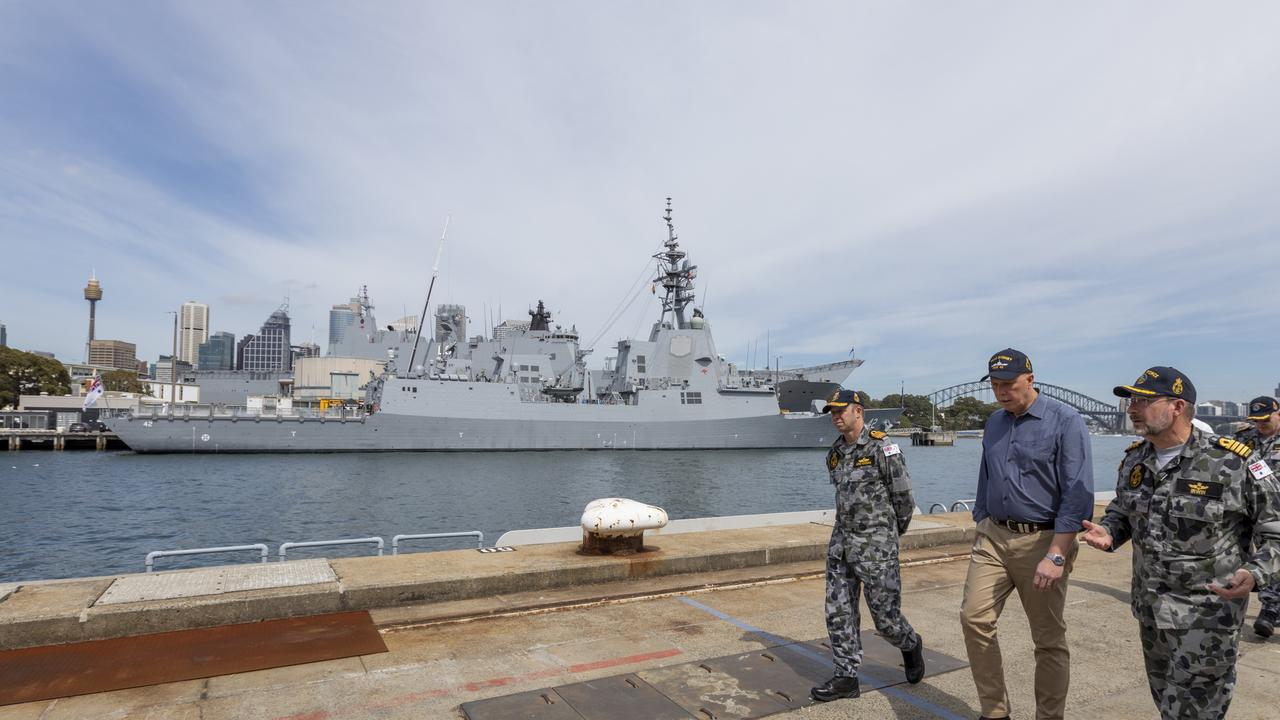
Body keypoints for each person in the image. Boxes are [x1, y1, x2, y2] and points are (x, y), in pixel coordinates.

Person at [1082, 368, 1280, 720]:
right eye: (1130, 400)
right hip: (1151, 612)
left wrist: (1256, 571)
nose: (1131, 408)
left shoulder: (1234, 461)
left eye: (1143, 401)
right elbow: (1123, 511)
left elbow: (1275, 528)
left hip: (1206, 617)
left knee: (1191, 713)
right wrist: (1110, 531)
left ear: (1177, 406)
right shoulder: (1134, 460)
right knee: (1167, 704)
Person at [960, 348, 1093, 720]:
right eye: (996, 386)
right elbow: (987, 473)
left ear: (1030, 380)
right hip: (993, 537)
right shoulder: (995, 422)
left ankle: (1048, 716)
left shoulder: (1066, 421)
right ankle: (995, 710)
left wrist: (1057, 553)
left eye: (1009, 385)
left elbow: (1077, 492)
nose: (1001, 392)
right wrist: (982, 519)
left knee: (1047, 639)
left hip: (1043, 540)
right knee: (974, 618)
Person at [810, 388, 925, 702]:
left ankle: (911, 644)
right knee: (838, 612)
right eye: (831, 412)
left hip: (876, 548)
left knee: (886, 620)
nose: (835, 417)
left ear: (858, 411)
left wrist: (887, 537)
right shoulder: (834, 454)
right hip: (841, 546)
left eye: (840, 411)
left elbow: (904, 499)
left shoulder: (881, 447)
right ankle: (846, 677)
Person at [1233, 396, 1280, 637]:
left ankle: (1269, 609)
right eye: (1256, 420)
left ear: (1278, 413)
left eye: (1265, 419)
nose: (1260, 425)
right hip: (1246, 504)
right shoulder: (1243, 438)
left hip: (1276, 510)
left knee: (1270, 553)